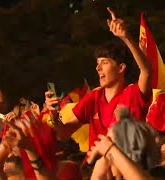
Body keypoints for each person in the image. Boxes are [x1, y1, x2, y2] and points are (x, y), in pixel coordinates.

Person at [45, 8, 152, 148]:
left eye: (105, 63)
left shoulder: (133, 93)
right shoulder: (94, 97)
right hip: (94, 165)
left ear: (121, 68)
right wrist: (54, 115)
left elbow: (147, 71)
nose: (98, 68)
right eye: (97, 63)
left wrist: (126, 37)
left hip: (124, 166)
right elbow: (63, 134)